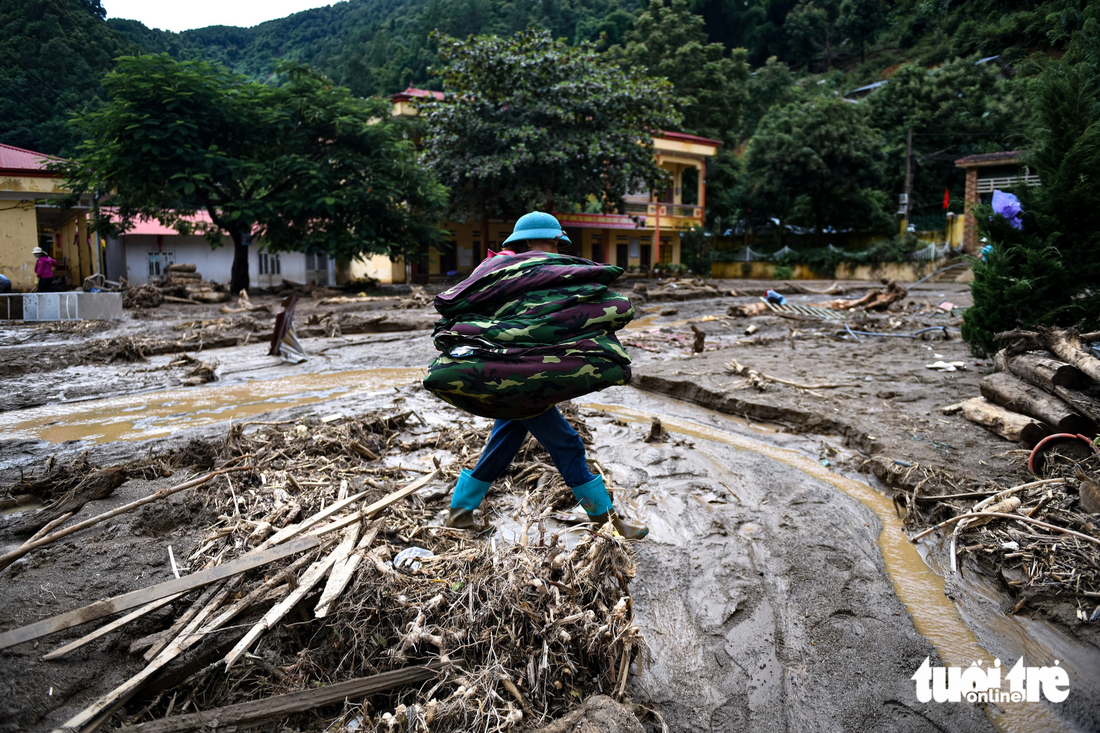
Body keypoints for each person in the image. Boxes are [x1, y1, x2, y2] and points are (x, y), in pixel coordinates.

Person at [444, 212, 648, 539]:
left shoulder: (519, 273)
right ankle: (607, 521)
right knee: (567, 444)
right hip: (515, 373)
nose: (556, 245)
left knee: (503, 443)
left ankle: (459, 512)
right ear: (526, 242)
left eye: (557, 241)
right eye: (551, 240)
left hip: (512, 373)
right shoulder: (515, 273)